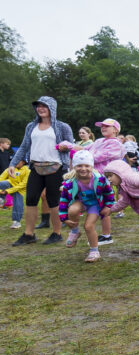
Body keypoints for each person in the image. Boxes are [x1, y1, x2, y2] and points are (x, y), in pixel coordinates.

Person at [10, 96, 74, 246]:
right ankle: (28, 234)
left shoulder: (62, 127)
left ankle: (56, 233)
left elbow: (72, 146)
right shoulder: (31, 126)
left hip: (56, 168)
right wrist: (12, 164)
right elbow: (24, 147)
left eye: (44, 106)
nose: (40, 108)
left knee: (54, 201)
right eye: (38, 106)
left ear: (52, 108)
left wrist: (65, 147)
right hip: (36, 167)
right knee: (31, 199)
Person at [59, 151, 115, 262]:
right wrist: (64, 219)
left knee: (88, 226)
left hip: (95, 204)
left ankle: (94, 251)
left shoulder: (100, 180)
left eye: (86, 165)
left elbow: (109, 194)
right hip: (81, 201)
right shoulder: (70, 183)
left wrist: (108, 206)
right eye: (79, 166)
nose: (83, 169)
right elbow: (63, 200)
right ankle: (75, 232)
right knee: (73, 210)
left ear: (91, 166)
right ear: (74, 167)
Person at [0, 160, 29, 229]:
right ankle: (1, 199)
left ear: (23, 162)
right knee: (3, 183)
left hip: (20, 189)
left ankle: (16, 222)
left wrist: (7, 191)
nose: (15, 162)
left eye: (18, 161)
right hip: (10, 185)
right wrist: (1, 191)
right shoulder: (10, 168)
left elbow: (23, 185)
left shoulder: (27, 171)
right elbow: (1, 178)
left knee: (18, 201)